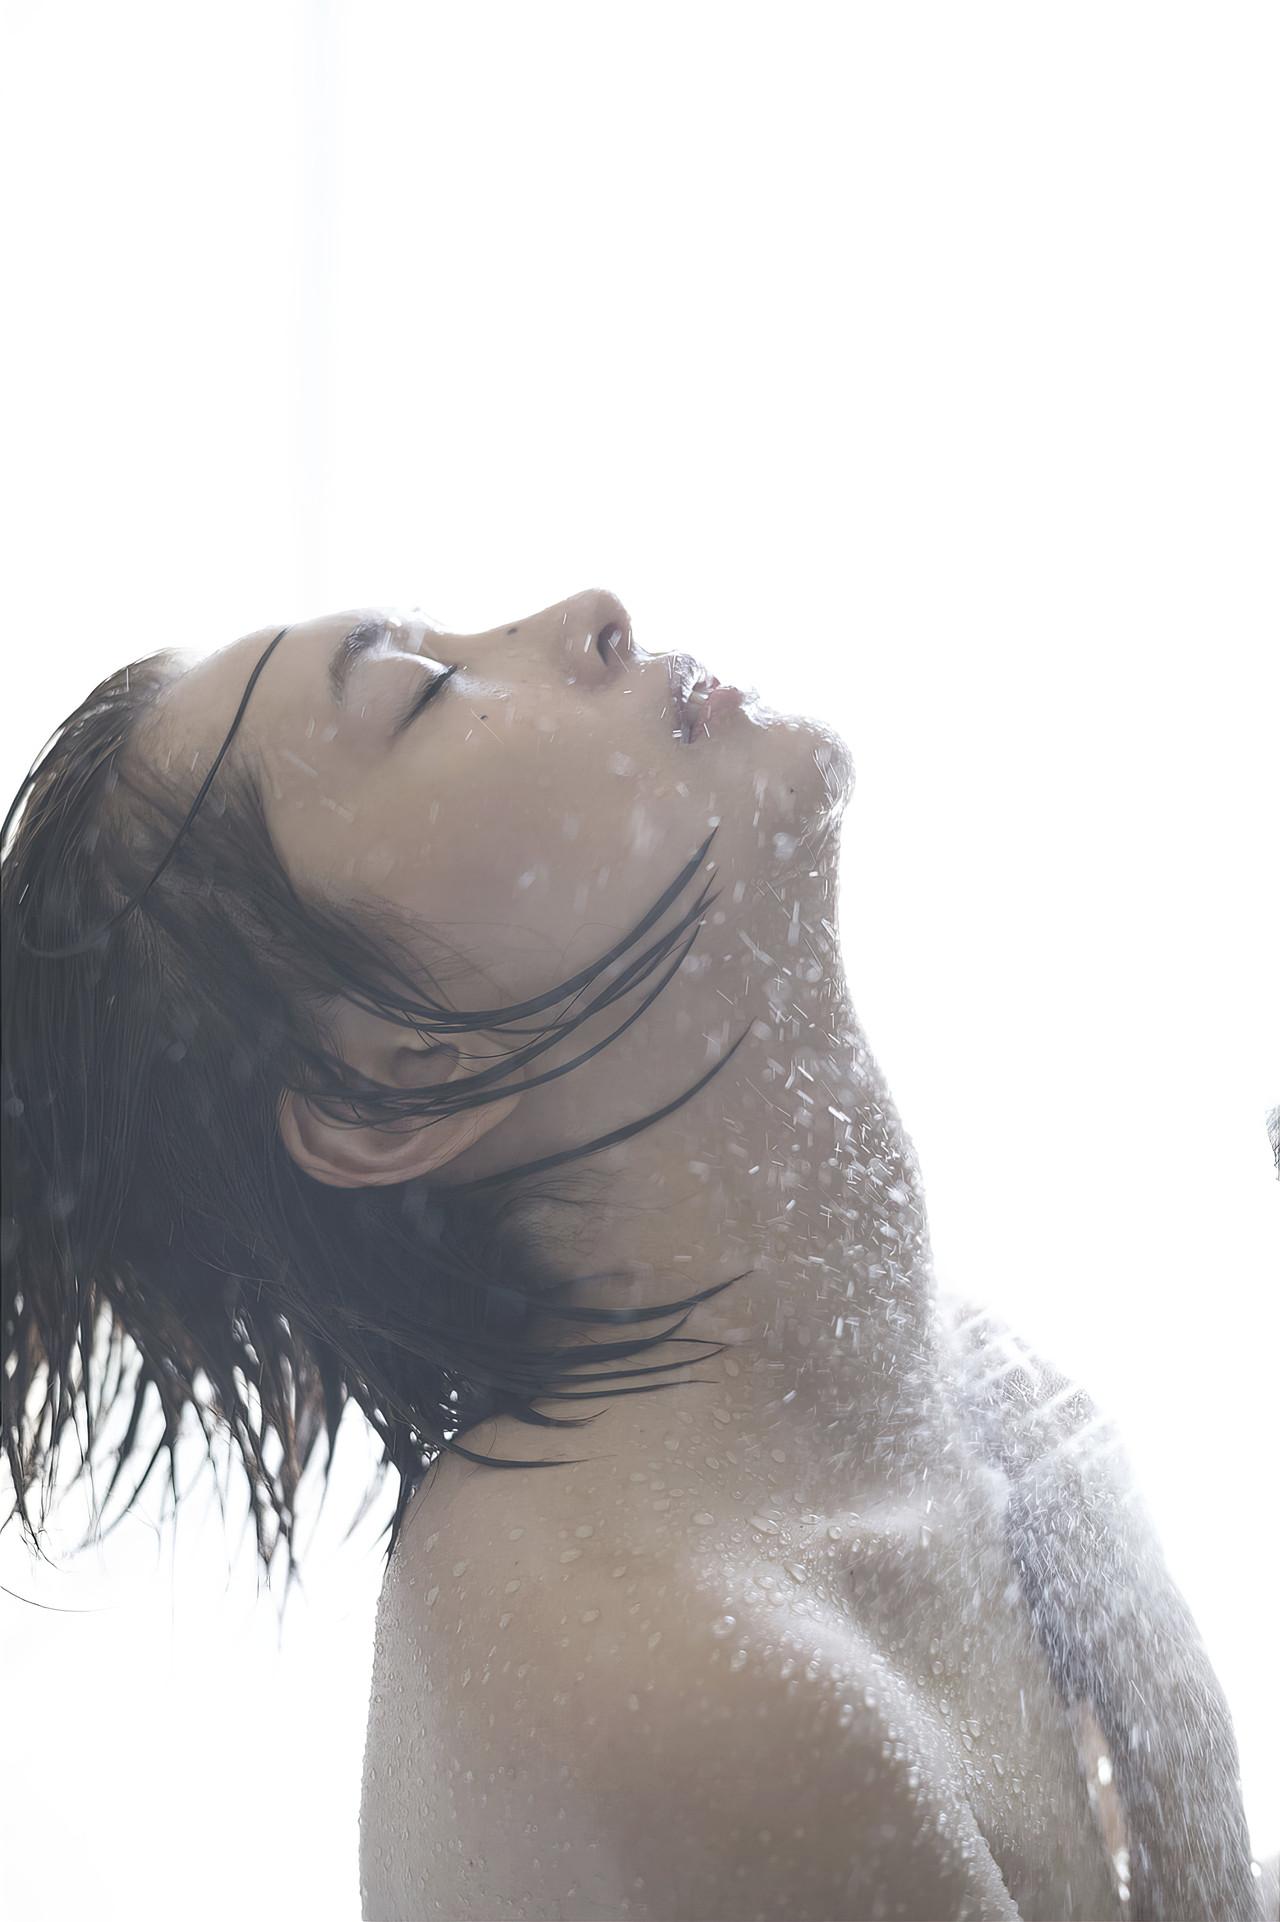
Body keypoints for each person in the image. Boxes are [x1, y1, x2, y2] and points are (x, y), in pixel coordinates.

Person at [2, 590, 1265, 1920]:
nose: (588, 613)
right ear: (392, 1083)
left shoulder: (972, 1401)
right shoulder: (678, 1682)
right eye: (420, 694)